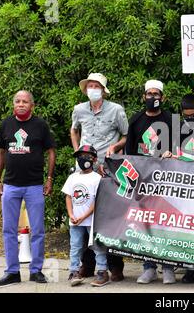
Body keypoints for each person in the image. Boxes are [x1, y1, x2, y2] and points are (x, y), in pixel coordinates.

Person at [0, 90, 56, 286]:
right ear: (14, 105)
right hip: (10, 186)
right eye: (18, 101)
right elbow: (1, 154)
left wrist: (49, 179)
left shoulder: (40, 125)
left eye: (25, 102)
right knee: (8, 230)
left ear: (32, 106)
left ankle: (36, 271)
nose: (21, 104)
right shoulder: (6, 124)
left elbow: (51, 152)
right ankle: (12, 272)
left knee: (38, 230)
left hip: (34, 186)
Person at [71, 73, 128, 281]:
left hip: (107, 170)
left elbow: (125, 135)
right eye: (90, 86)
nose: (93, 89)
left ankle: (115, 266)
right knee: (84, 214)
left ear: (103, 90)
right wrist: (78, 152)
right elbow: (74, 131)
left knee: (108, 218)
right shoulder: (79, 109)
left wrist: (116, 146)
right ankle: (88, 264)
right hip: (85, 170)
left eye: (97, 86)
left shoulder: (116, 110)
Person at [125, 79, 176, 284]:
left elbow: (182, 148)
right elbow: (129, 152)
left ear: (162, 98)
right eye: (149, 94)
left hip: (166, 179)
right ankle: (149, 267)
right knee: (144, 224)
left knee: (165, 223)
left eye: (156, 95)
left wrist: (173, 152)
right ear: (143, 97)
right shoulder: (135, 120)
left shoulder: (172, 119)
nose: (152, 98)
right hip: (143, 180)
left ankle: (169, 267)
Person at [161, 93, 194, 285]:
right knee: (187, 228)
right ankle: (190, 269)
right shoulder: (176, 127)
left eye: (193, 115)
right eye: (186, 115)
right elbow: (171, 150)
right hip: (184, 184)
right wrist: (168, 153)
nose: (189, 118)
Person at [62, 145, 109, 287]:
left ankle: (102, 271)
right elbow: (69, 197)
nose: (82, 159)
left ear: (94, 160)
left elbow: (97, 201)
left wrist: (83, 216)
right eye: (80, 156)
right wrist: (71, 215)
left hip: (92, 220)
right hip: (75, 221)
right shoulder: (72, 177)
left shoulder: (97, 178)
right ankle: (74, 271)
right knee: (75, 246)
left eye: (87, 156)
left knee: (97, 246)